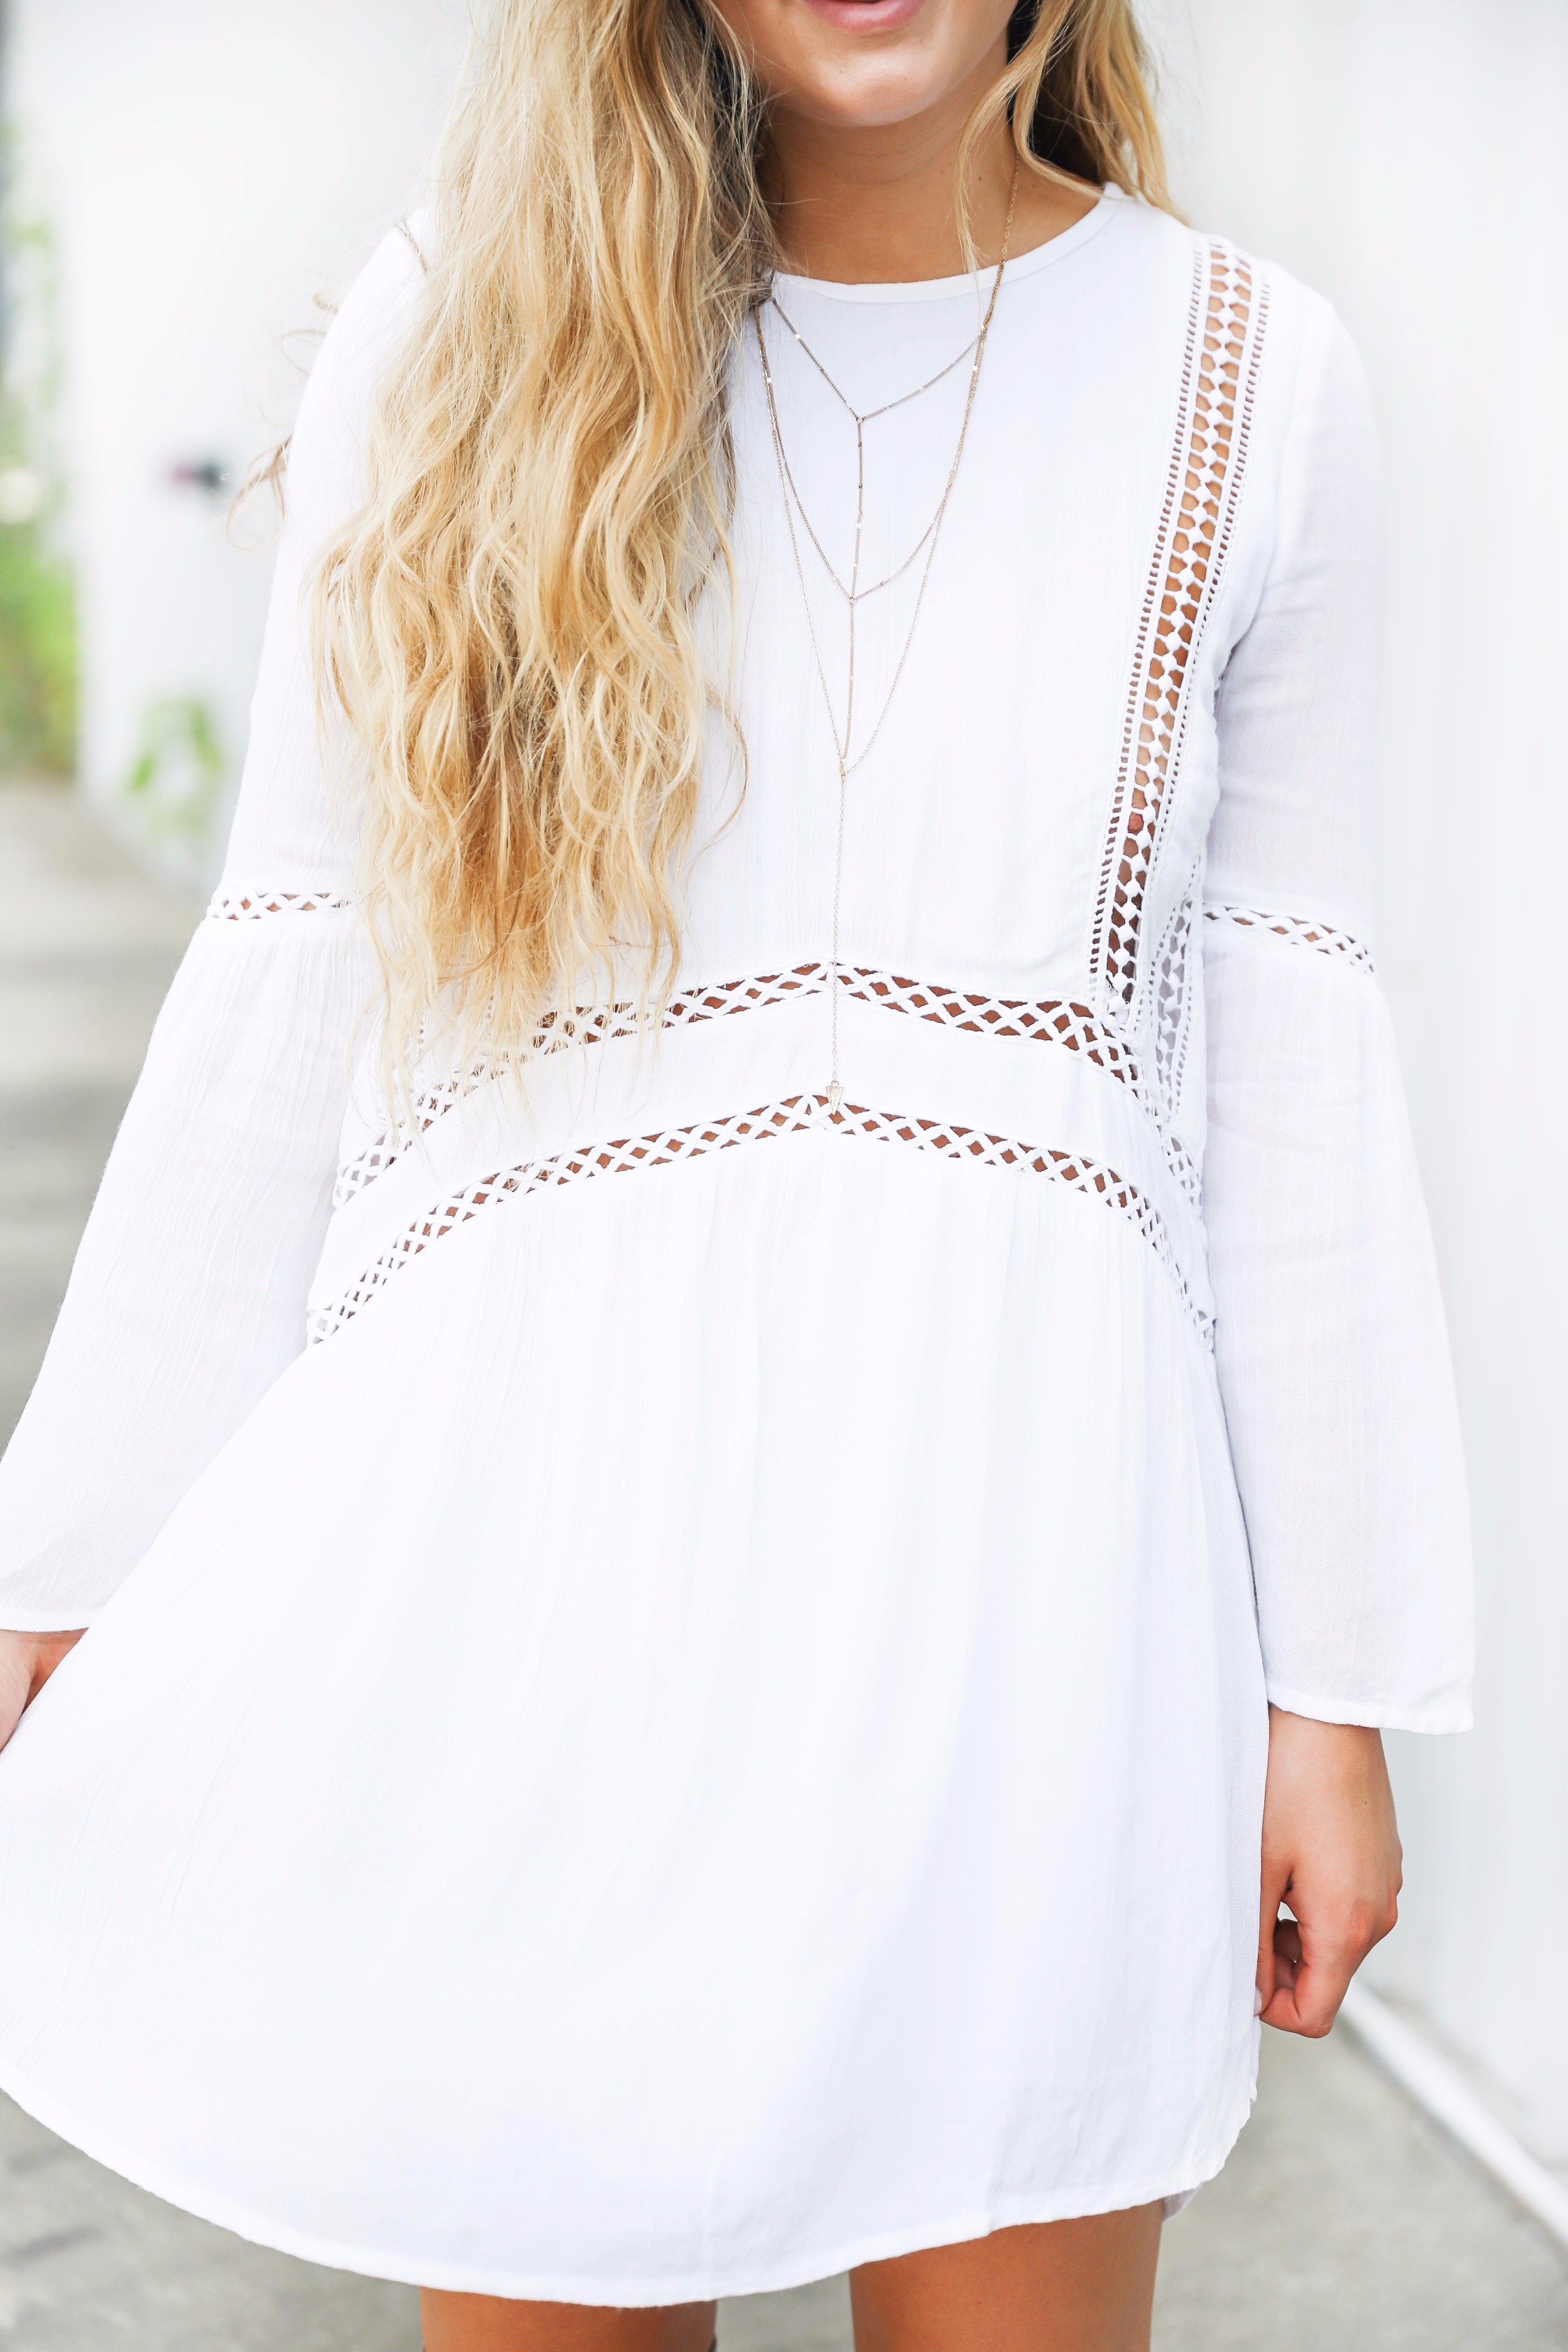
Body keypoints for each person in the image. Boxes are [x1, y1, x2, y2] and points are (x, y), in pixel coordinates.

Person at [0, 3, 1472, 2347]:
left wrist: (1336, 1696)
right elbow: (291, 957)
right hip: (541, 1568)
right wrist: (82, 1545)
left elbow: (1294, 1058)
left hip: (1033, 1590)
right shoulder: (456, 330)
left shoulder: (1251, 381)